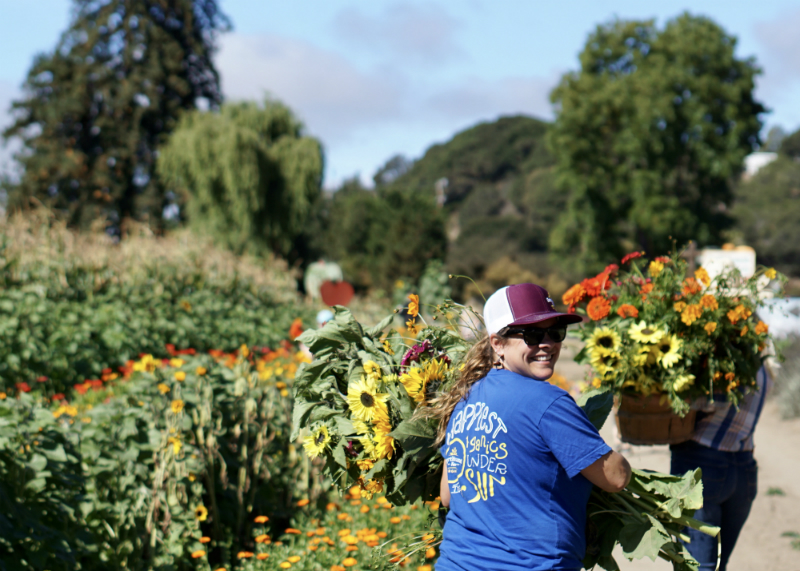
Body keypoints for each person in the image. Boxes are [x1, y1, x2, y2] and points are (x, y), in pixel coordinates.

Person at [431, 283, 631, 571]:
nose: (547, 343)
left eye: (555, 332)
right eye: (533, 334)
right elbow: (616, 477)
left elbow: (449, 496)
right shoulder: (549, 403)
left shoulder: (464, 400)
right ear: (497, 343)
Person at [670, 363, 773, 571]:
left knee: (698, 567)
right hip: (744, 470)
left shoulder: (727, 359)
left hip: (704, 463)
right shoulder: (764, 369)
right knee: (716, 565)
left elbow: (714, 400)